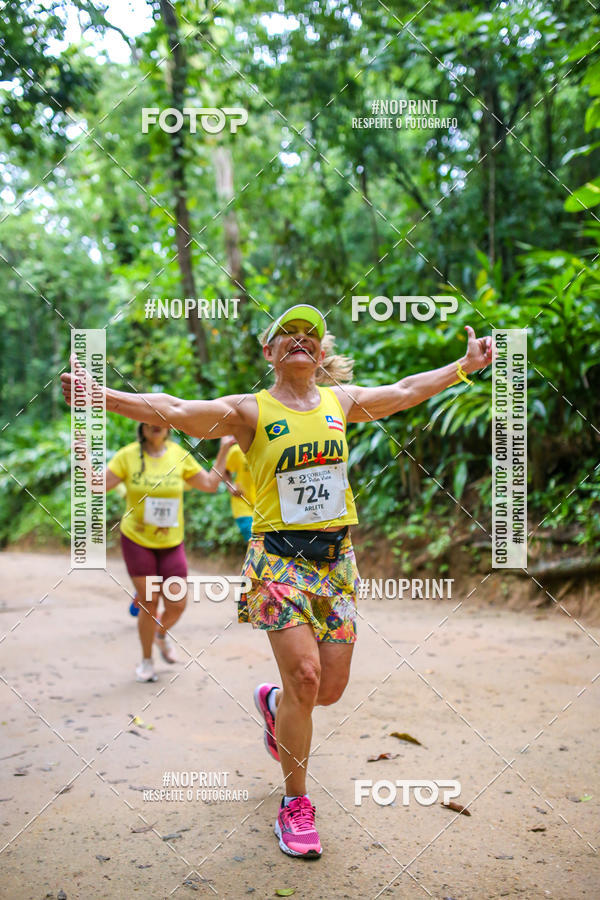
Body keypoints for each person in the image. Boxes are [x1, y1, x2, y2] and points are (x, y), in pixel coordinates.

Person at [62, 304, 493, 856]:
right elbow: (171, 408)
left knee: (327, 692)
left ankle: (273, 707)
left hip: (336, 562)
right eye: (286, 335)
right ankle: (295, 803)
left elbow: (406, 390)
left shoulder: (340, 402)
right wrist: (102, 397)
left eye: (309, 335)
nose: (300, 340)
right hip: (277, 561)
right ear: (269, 353)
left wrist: (463, 365)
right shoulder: (249, 411)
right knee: (308, 679)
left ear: (319, 352)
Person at [78, 422, 230, 682]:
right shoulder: (127, 455)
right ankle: (147, 660)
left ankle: (160, 634)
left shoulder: (179, 455)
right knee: (150, 602)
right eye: (147, 420)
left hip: (171, 543)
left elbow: (209, 484)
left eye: (160, 419)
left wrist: (225, 448)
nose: (154, 425)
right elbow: (97, 485)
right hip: (137, 540)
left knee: (177, 604)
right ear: (141, 427)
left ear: (169, 427)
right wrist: (82, 456)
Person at [219, 435, 256, 542]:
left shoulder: (268, 449)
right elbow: (223, 469)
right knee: (253, 539)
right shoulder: (237, 451)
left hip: (264, 505)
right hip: (243, 503)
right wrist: (230, 486)